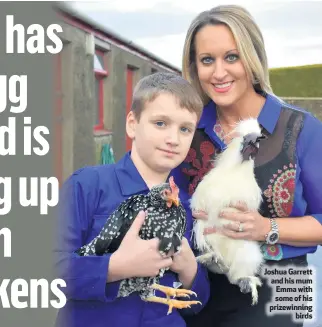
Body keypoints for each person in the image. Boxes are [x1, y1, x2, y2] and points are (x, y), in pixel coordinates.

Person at [171, 4, 322, 327]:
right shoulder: (186, 130)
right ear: (194, 67)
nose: (219, 72)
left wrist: (265, 228)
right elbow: (169, 202)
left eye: (232, 57)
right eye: (207, 60)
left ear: (252, 59)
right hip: (200, 283)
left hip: (284, 285)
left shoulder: (302, 128)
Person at [53, 72, 210, 327]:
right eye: (160, 123)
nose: (173, 139)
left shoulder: (188, 207)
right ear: (132, 124)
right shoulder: (87, 186)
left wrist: (190, 269)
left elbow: (197, 304)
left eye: (185, 129)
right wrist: (116, 266)